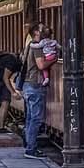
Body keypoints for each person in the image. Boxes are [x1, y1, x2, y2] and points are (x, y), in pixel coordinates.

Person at [21, 23, 58, 157]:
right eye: (43, 28)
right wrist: (53, 59)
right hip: (35, 84)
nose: (47, 29)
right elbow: (41, 65)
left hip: (28, 85)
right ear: (36, 32)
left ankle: (29, 144)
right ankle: (31, 148)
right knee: (36, 118)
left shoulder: (30, 46)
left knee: (31, 118)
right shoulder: (37, 46)